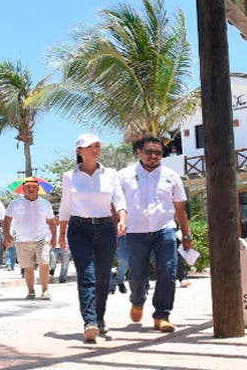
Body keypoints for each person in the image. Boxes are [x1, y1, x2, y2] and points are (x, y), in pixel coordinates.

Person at [120, 136, 194, 333]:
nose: (153, 156)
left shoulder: (172, 176)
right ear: (139, 152)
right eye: (149, 152)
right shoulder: (124, 175)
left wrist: (187, 235)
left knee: (169, 272)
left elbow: (180, 208)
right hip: (135, 232)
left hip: (165, 229)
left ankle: (162, 315)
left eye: (158, 153)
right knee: (137, 274)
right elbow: (116, 205)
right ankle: (137, 300)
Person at [59, 133, 127, 342]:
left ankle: (100, 317)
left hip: (106, 228)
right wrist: (61, 234)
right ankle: (89, 321)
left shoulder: (111, 174)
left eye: (97, 146)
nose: (95, 150)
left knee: (103, 277)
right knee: (86, 275)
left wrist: (122, 219)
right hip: (79, 229)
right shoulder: (69, 176)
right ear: (79, 151)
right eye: (90, 146)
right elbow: (65, 206)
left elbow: (119, 199)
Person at [3, 178, 57, 300]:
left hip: (42, 238)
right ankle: (31, 291)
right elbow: (7, 220)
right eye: (28, 187)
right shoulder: (14, 203)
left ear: (38, 189)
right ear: (23, 189)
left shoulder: (45, 204)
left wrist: (54, 238)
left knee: (44, 263)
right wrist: (7, 235)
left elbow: (52, 222)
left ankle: (45, 291)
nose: (31, 189)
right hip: (22, 239)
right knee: (28, 267)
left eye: (34, 187)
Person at [49, 213, 71, 283]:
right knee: (53, 261)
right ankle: (52, 269)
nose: (58, 218)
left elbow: (70, 236)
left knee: (65, 264)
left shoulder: (67, 227)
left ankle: (62, 278)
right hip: (54, 247)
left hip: (65, 247)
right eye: (56, 217)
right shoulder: (51, 227)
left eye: (59, 217)